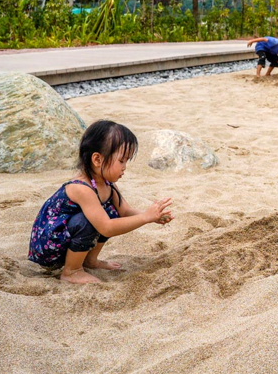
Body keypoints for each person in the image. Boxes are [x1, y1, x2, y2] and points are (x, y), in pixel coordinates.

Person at [28, 121, 173, 284]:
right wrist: (145, 217)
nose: (125, 167)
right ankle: (72, 271)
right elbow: (106, 227)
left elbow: (125, 212)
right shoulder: (81, 188)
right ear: (97, 159)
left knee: (111, 211)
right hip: (49, 244)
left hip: (67, 238)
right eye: (121, 161)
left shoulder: (107, 185)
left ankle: (90, 260)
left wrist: (152, 216)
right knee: (91, 221)